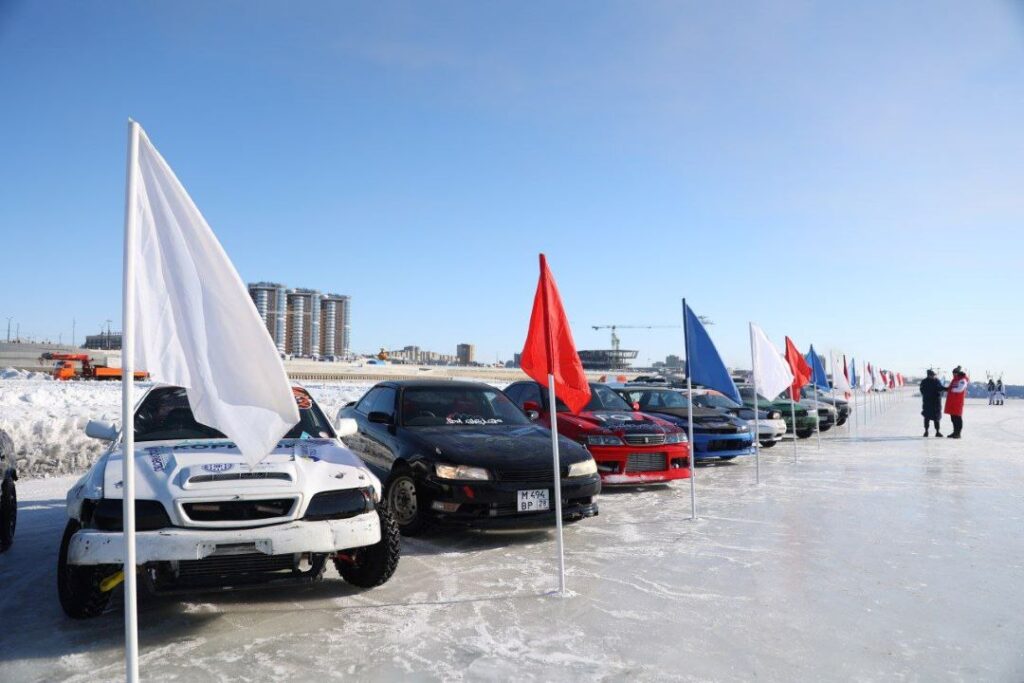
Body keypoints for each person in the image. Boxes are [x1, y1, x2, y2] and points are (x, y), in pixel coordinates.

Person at [919, 370, 947, 437]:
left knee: (936, 418)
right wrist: (928, 394)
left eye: (934, 375)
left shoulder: (937, 381)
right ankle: (926, 431)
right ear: (929, 375)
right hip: (927, 402)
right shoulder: (924, 381)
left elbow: (940, 388)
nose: (934, 376)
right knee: (927, 417)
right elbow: (922, 390)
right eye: (932, 375)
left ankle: (937, 432)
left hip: (936, 403)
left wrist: (946, 389)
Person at [944, 366, 970, 438]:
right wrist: (946, 389)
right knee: (953, 418)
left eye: (955, 373)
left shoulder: (962, 379)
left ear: (958, 373)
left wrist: (950, 390)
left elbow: (960, 389)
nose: (953, 374)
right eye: (953, 373)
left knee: (957, 417)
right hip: (952, 401)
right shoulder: (955, 379)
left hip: (958, 401)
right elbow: (951, 388)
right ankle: (955, 432)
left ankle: (958, 433)